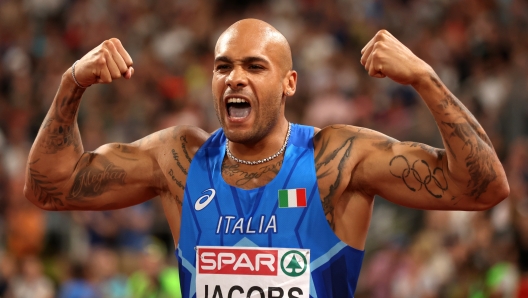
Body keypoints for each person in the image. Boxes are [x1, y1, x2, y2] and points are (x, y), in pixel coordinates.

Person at [24, 18, 509, 297]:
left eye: (255, 66)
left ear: (288, 83)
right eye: (223, 67)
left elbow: (483, 188)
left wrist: (425, 78)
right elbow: (50, 187)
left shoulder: (336, 159)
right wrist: (72, 84)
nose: (235, 78)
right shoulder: (178, 159)